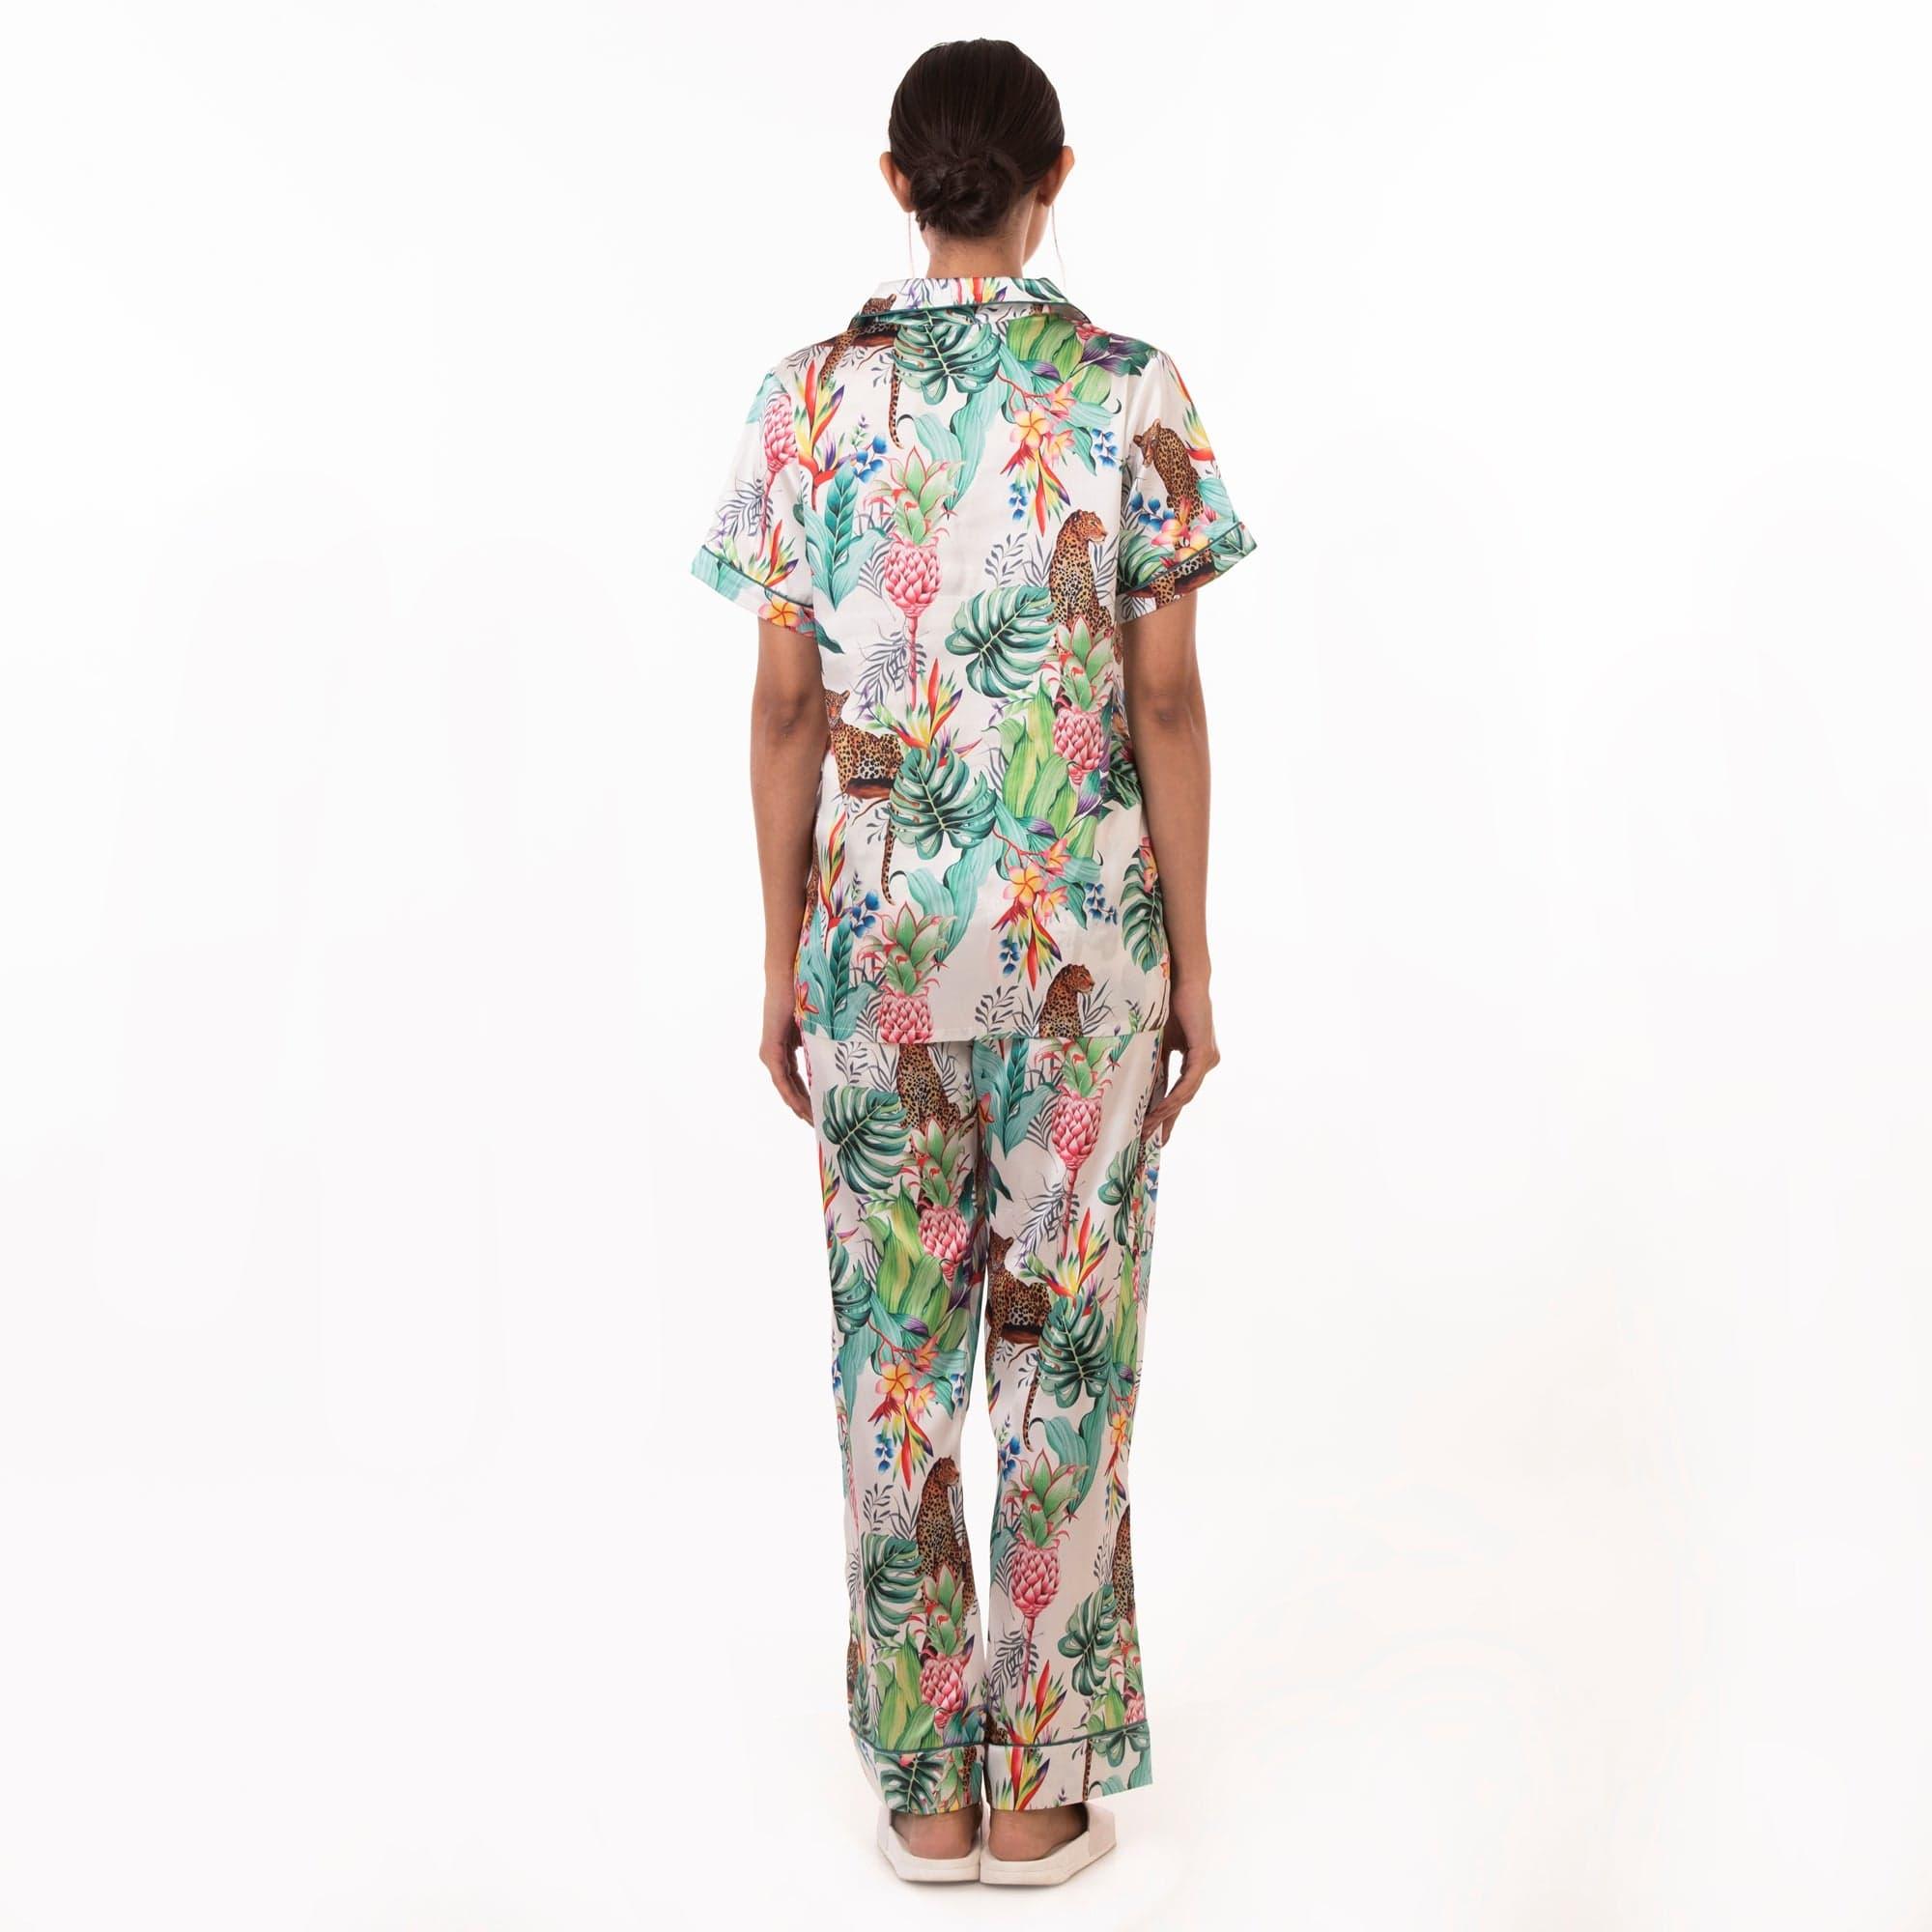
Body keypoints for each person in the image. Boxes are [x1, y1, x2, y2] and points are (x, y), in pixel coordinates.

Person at [690, 37, 1255, 1888]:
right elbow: (1163, 698)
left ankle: (926, 1794)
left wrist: (780, 959)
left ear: (897, 182)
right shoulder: (1130, 390)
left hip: (871, 953)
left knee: (894, 1364)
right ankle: (1041, 1790)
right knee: (1066, 1352)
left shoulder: (805, 402)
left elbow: (787, 710)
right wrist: (1191, 961)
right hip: (1088, 943)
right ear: (1053, 177)